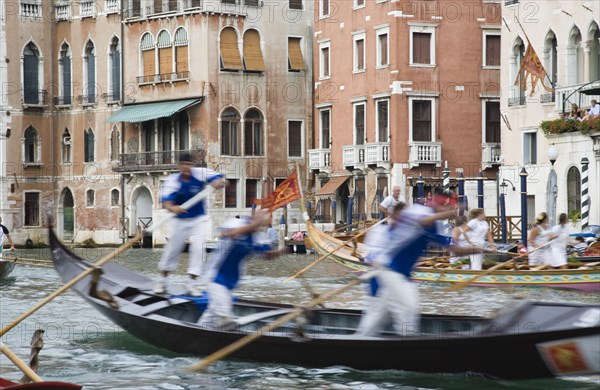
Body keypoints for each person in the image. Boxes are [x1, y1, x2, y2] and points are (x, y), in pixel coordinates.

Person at [356, 190, 484, 337]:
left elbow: (454, 248)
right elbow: (422, 222)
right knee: (408, 307)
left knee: (378, 312)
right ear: (440, 205)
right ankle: (409, 342)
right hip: (391, 268)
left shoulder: (436, 225)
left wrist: (478, 249)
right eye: (449, 207)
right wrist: (447, 214)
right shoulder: (418, 210)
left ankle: (362, 339)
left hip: (396, 271)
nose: (451, 211)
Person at [198, 210, 285, 329]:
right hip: (215, 274)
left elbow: (266, 255)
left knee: (213, 311)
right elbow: (231, 233)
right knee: (224, 312)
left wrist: (281, 252)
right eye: (259, 220)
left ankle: (198, 330)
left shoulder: (258, 237)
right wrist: (254, 224)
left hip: (231, 279)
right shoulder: (237, 223)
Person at [154, 152, 225, 296]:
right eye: (184, 164)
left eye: (189, 164)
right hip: (179, 219)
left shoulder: (200, 173)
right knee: (173, 249)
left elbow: (223, 180)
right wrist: (174, 208)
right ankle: (162, 282)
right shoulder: (172, 181)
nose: (187, 167)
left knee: (198, 249)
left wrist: (219, 183)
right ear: (179, 165)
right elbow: (167, 203)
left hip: (199, 218)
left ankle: (192, 285)